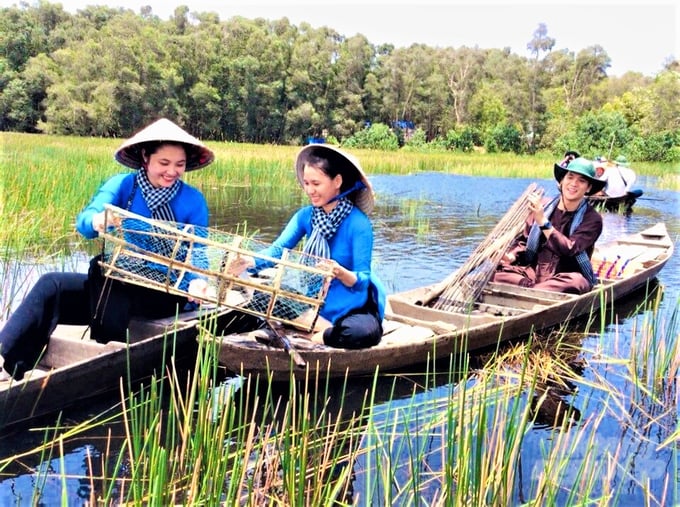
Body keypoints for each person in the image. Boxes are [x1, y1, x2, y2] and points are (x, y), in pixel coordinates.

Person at [0, 118, 214, 380]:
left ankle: (102, 366)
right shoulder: (123, 186)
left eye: (179, 165)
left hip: (163, 291)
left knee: (107, 279)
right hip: (115, 286)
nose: (172, 171)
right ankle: (6, 362)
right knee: (53, 284)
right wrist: (97, 220)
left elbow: (200, 251)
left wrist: (198, 281)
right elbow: (86, 222)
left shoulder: (193, 200)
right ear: (146, 157)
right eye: (164, 163)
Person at [226, 144, 386, 349]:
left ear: (337, 181)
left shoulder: (359, 224)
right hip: (313, 305)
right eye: (307, 183)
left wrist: (339, 272)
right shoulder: (305, 216)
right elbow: (277, 251)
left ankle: (314, 335)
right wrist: (248, 262)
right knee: (262, 296)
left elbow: (362, 280)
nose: (310, 190)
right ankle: (319, 327)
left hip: (353, 309)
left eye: (316, 183)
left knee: (363, 333)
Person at [491, 157, 606, 294]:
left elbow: (570, 249)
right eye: (570, 177)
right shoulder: (543, 206)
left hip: (564, 277)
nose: (574, 184)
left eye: (581, 181)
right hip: (533, 273)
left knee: (576, 282)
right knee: (494, 273)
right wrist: (512, 256)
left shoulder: (592, 219)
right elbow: (524, 242)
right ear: (562, 181)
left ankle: (530, 290)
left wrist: (543, 222)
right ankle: (533, 289)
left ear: (588, 188)